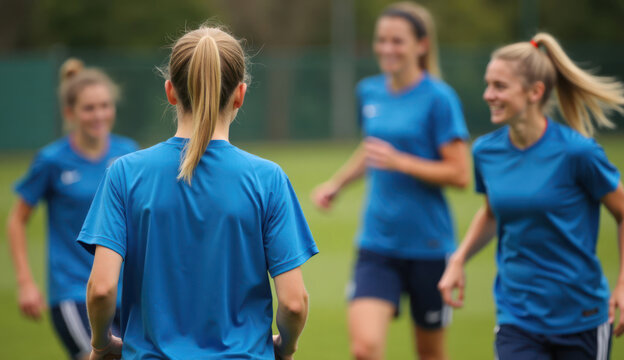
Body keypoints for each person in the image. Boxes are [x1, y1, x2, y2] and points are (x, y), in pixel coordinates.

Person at [76, 25, 318, 360]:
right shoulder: (268, 179)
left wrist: (101, 345)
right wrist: (286, 347)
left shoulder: (125, 173)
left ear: (170, 91)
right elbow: (293, 303)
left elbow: (101, 289)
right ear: (240, 94)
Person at [438, 32, 624, 360]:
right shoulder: (486, 152)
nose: (488, 95)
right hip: (517, 317)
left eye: (500, 86)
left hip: (580, 318)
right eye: (488, 84)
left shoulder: (577, 153)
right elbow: (492, 212)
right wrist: (458, 260)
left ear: (535, 92)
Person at [312, 3, 469, 359]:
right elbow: (372, 151)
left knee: (430, 353)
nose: (387, 48)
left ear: (421, 45)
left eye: (397, 41)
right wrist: (336, 184)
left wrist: (403, 162)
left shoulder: (439, 98)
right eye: (381, 40)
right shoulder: (369, 91)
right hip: (377, 243)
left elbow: (460, 174)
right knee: (364, 349)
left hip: (429, 246)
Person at [6, 58, 138, 360]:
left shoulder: (128, 153)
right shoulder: (52, 161)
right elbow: (17, 220)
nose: (99, 114)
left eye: (105, 105)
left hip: (123, 291)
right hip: (73, 293)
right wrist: (26, 283)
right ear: (70, 113)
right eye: (89, 108)